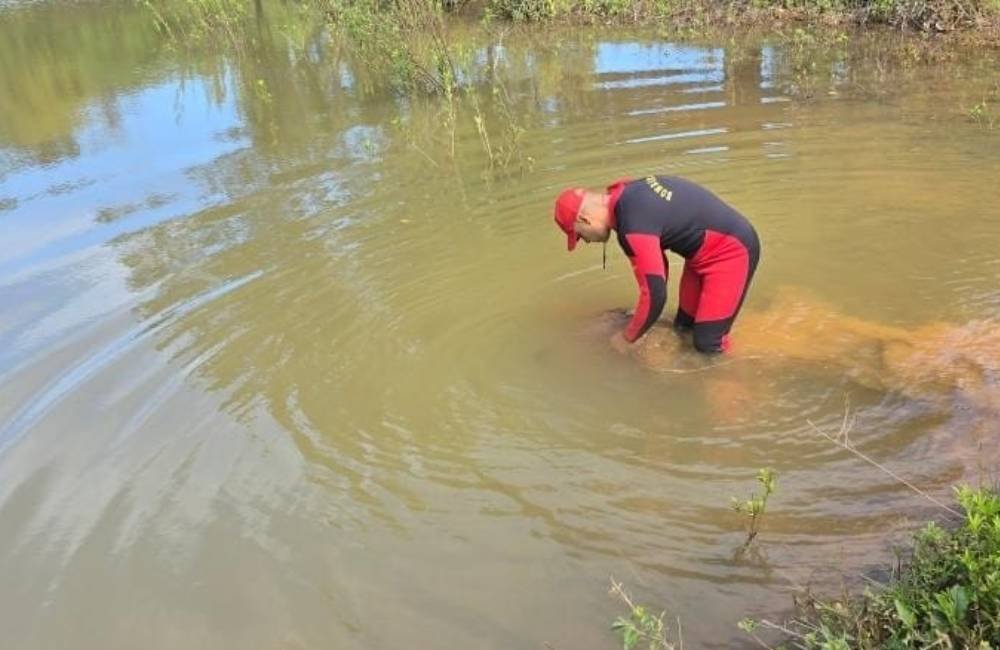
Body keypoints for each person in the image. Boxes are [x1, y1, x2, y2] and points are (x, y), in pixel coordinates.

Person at [553, 175, 760, 354]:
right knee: (683, 327)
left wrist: (627, 338)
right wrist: (642, 316)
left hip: (732, 252)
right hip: (702, 255)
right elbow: (658, 272)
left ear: (584, 219)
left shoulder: (631, 225)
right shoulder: (628, 194)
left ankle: (741, 382)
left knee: (708, 345)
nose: (588, 241)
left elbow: (655, 295)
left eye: (580, 235)